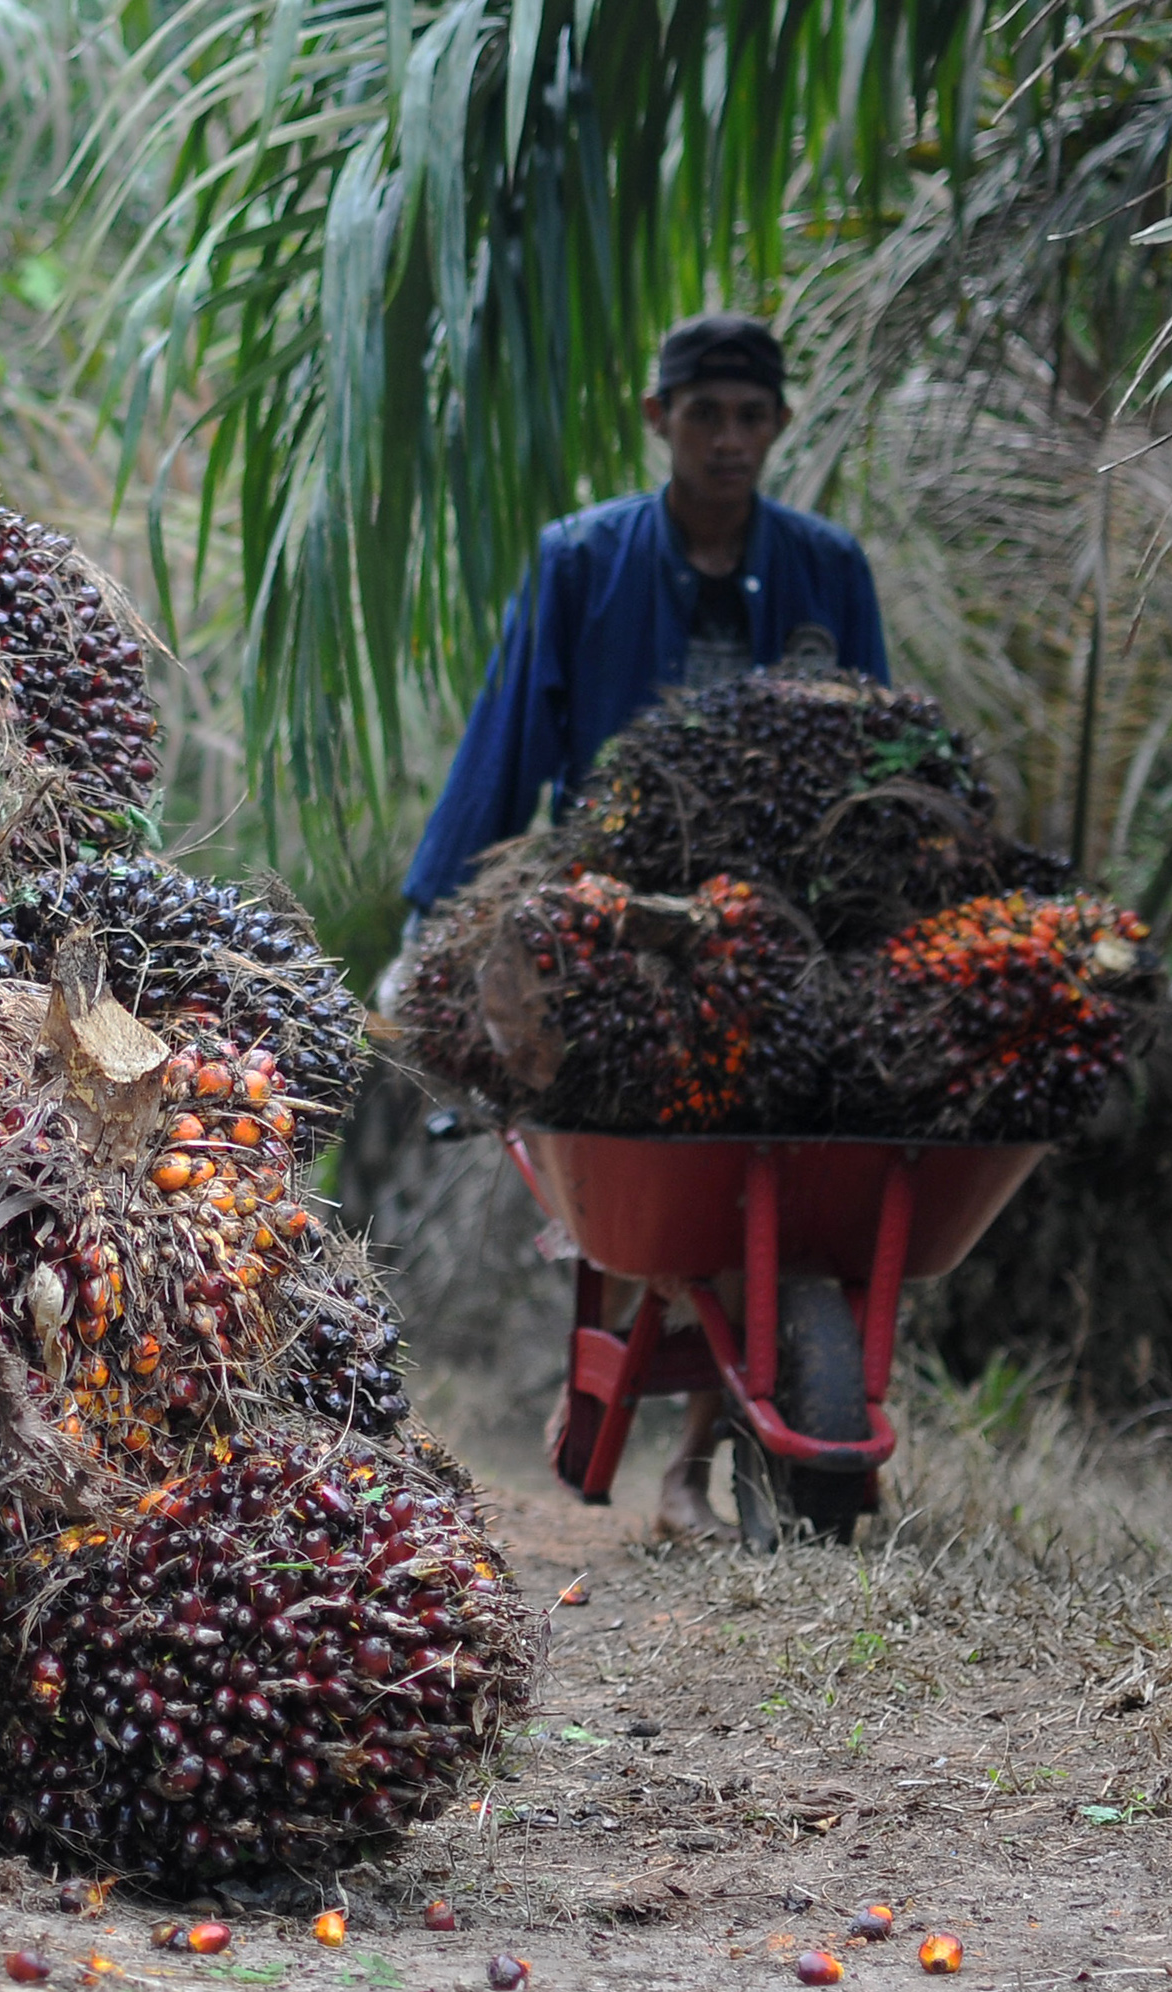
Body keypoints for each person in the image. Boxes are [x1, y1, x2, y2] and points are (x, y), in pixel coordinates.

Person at [391, 313, 889, 1542]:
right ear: (661, 419)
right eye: (704, 413)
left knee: (778, 1150)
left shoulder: (829, 571)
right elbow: (509, 736)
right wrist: (428, 925)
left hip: (777, 923)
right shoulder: (584, 561)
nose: (729, 438)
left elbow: (883, 758)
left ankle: (694, 1465)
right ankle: (664, 1426)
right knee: (672, 1162)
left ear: (779, 425)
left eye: (752, 416)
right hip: (616, 914)